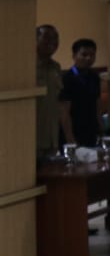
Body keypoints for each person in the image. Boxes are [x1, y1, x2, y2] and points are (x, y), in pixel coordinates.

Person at [59, 38, 100, 147]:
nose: (88, 58)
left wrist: (100, 129)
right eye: (84, 54)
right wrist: (70, 138)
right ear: (74, 56)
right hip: (74, 130)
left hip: (91, 131)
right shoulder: (67, 78)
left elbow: (97, 104)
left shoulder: (94, 77)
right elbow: (64, 111)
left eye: (92, 55)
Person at [36, 24, 66, 157]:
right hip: (33, 135)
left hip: (52, 137)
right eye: (47, 37)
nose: (52, 42)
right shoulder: (27, 68)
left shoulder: (56, 67)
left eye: (55, 38)